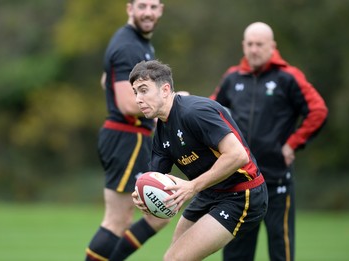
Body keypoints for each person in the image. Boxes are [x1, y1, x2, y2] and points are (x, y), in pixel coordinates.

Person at [210, 22, 329, 261]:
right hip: (240, 183)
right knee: (235, 253)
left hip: (276, 181)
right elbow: (211, 114)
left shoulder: (288, 77)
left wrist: (293, 143)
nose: (254, 49)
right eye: (250, 44)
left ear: (272, 46)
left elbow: (318, 111)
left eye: (260, 44)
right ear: (243, 46)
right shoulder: (233, 78)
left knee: (280, 250)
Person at [129, 60, 268, 261]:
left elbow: (238, 155)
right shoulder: (161, 132)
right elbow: (156, 178)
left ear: (165, 89)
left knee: (176, 259)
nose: (138, 99)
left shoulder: (194, 112)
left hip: (242, 193)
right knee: (172, 258)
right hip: (209, 192)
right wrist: (142, 194)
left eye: (143, 90)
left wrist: (192, 187)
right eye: (135, 92)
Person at [84, 1, 168, 260]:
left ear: (161, 10)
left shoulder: (140, 43)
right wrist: (168, 103)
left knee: (159, 214)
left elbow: (104, 80)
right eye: (142, 5)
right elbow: (126, 102)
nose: (148, 12)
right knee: (116, 220)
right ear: (129, 8)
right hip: (125, 138)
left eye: (154, 6)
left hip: (133, 138)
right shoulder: (128, 45)